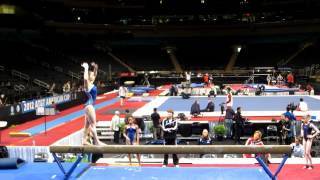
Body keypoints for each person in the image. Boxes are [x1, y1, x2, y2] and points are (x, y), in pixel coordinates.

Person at [81, 62, 105, 145]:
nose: (94, 76)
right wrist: (86, 68)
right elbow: (85, 79)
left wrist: (95, 67)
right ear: (88, 76)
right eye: (91, 75)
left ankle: (84, 140)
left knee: (86, 126)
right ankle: (97, 141)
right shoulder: (87, 85)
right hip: (89, 106)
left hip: (89, 106)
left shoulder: (91, 83)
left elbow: (95, 72)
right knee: (93, 124)